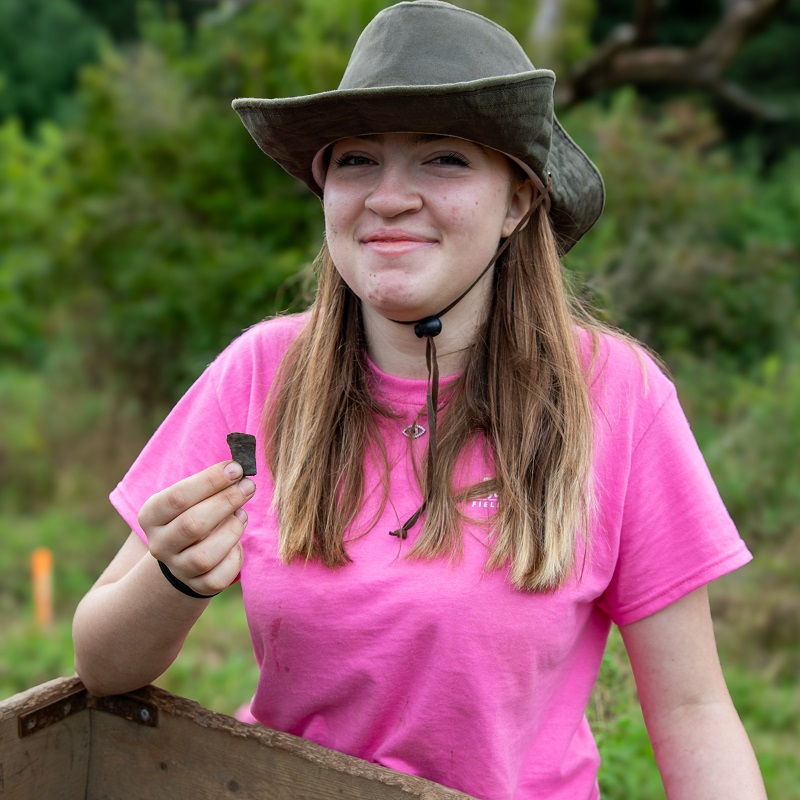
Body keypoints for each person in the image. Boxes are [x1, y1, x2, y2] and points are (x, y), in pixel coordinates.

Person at [72, 2, 766, 798]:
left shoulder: (616, 396)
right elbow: (99, 664)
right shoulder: (261, 373)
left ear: (518, 202)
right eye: (359, 160)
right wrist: (174, 575)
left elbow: (693, 706)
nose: (389, 197)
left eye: (442, 159)